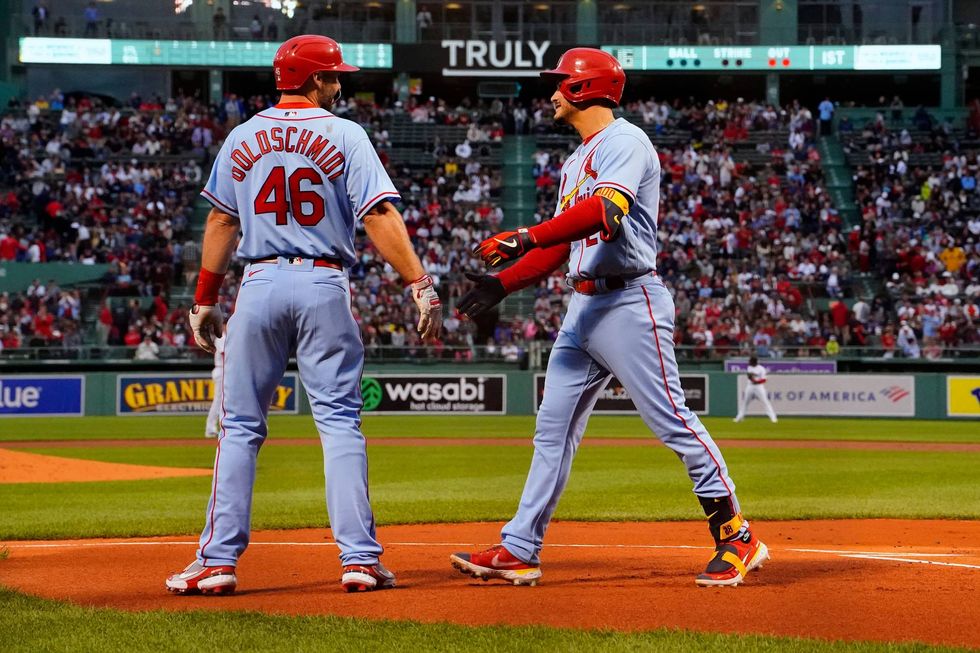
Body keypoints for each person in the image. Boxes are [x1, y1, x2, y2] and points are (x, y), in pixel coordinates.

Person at [451, 48, 767, 588]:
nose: (551, 93)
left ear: (583, 88)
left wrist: (526, 234)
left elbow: (603, 212)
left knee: (672, 420)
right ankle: (520, 547)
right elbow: (560, 244)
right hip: (584, 306)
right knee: (552, 432)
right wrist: (504, 283)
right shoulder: (577, 160)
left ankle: (736, 535)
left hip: (629, 302)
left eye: (559, 84)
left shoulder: (625, 141)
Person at [166, 35, 442, 597]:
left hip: (259, 283)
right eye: (334, 76)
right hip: (322, 282)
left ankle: (217, 561)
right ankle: (360, 559)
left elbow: (221, 224)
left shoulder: (242, 136)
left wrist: (203, 299)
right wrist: (418, 281)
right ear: (315, 80)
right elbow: (379, 214)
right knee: (340, 422)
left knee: (239, 427)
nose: (339, 85)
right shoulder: (345, 134)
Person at [733, 356, 778, 424]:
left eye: (750, 361)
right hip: (750, 386)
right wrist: (752, 379)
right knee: (745, 402)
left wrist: (756, 381)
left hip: (759, 387)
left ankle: (773, 418)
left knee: (765, 402)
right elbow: (749, 377)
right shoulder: (749, 367)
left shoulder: (761, 369)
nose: (749, 362)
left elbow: (764, 379)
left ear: (754, 362)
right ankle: (739, 417)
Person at [205, 334, 225, 438]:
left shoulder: (229, 336)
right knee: (218, 400)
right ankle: (210, 428)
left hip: (226, 371)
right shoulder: (221, 337)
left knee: (225, 401)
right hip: (221, 370)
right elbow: (224, 354)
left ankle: (223, 426)